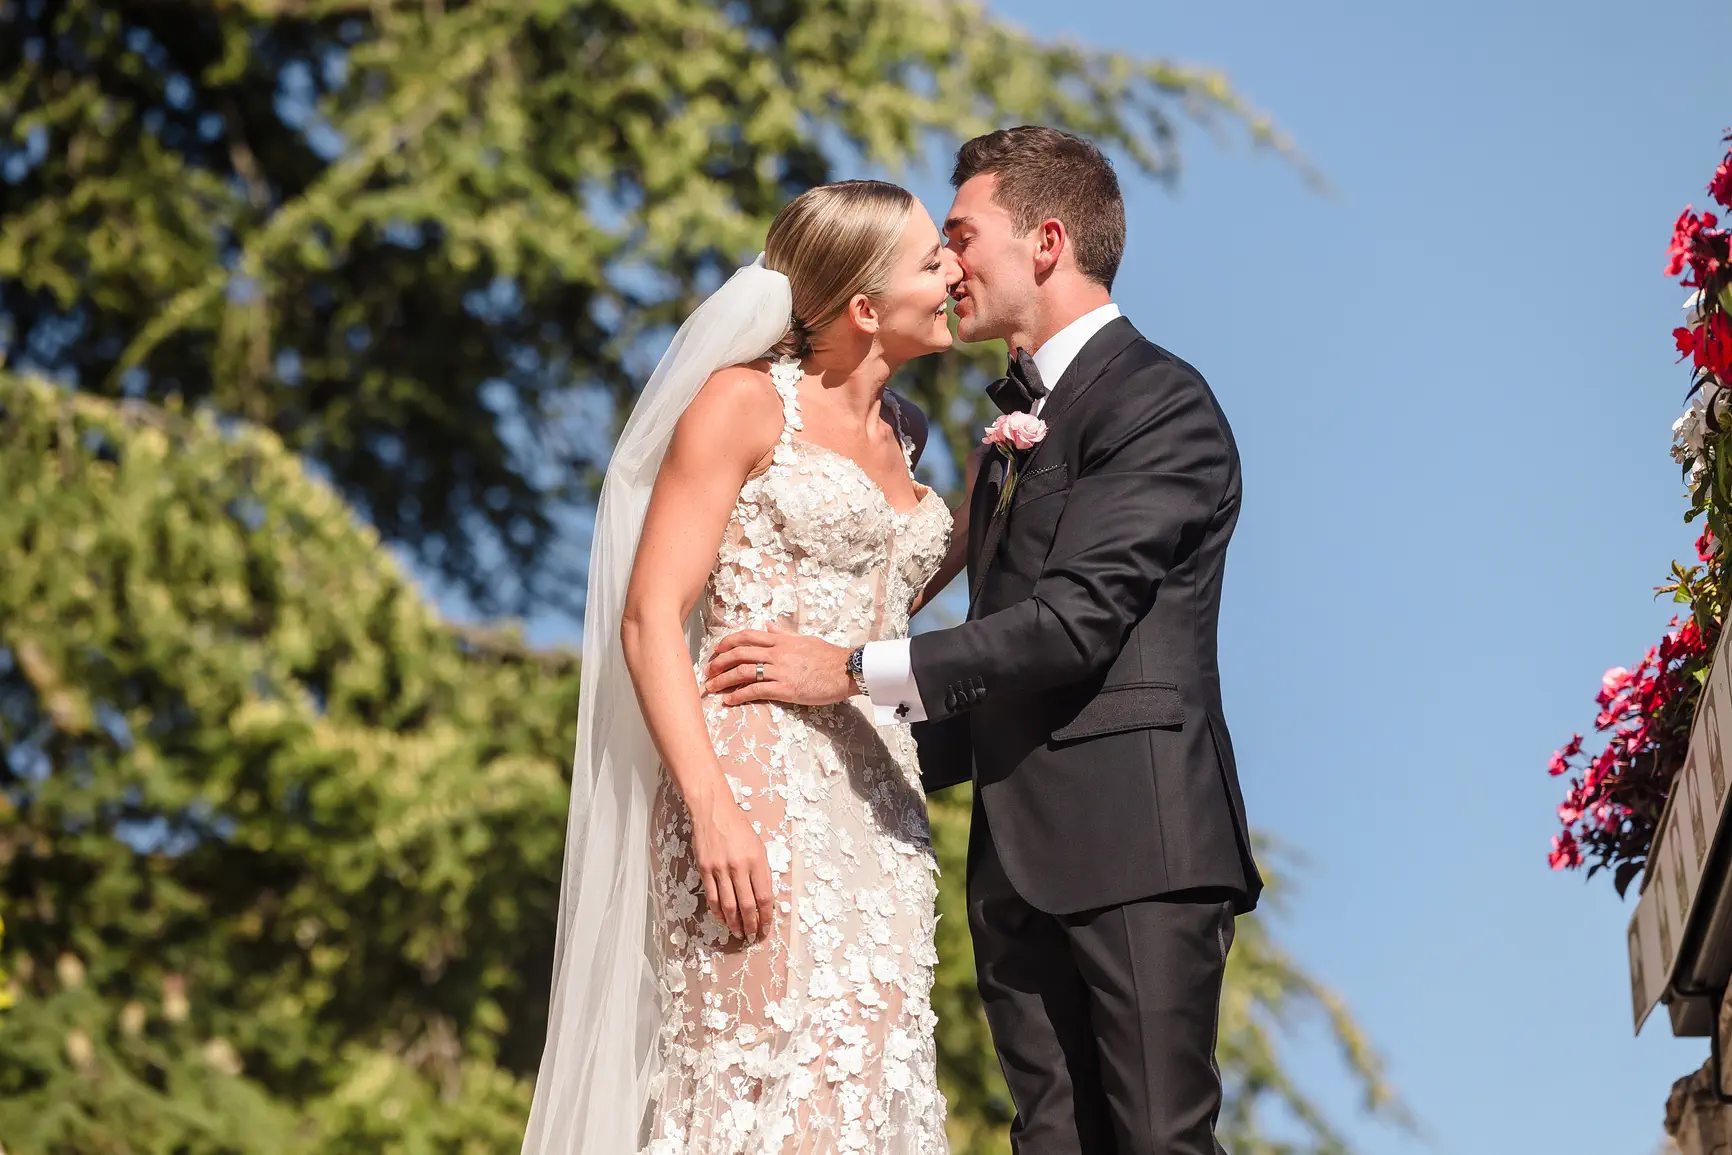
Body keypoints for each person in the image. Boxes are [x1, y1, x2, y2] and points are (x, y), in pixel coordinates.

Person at [704, 127, 1262, 1155]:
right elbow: (998, 665)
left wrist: (846, 673)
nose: (947, 264)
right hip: (1014, 864)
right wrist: (813, 764)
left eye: (960, 235)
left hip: (1136, 850)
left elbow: (1073, 624)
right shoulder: (1007, 434)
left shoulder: (1158, 403)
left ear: (1045, 243)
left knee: (1158, 1141)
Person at [520, 179, 973, 1155]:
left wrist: (991, 505)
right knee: (757, 1093)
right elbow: (649, 617)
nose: (953, 272)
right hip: (754, 788)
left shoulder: (909, 433)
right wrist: (711, 807)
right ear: (864, 308)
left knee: (863, 1098)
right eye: (931, 259)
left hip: (882, 804)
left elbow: (880, 595)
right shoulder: (740, 403)